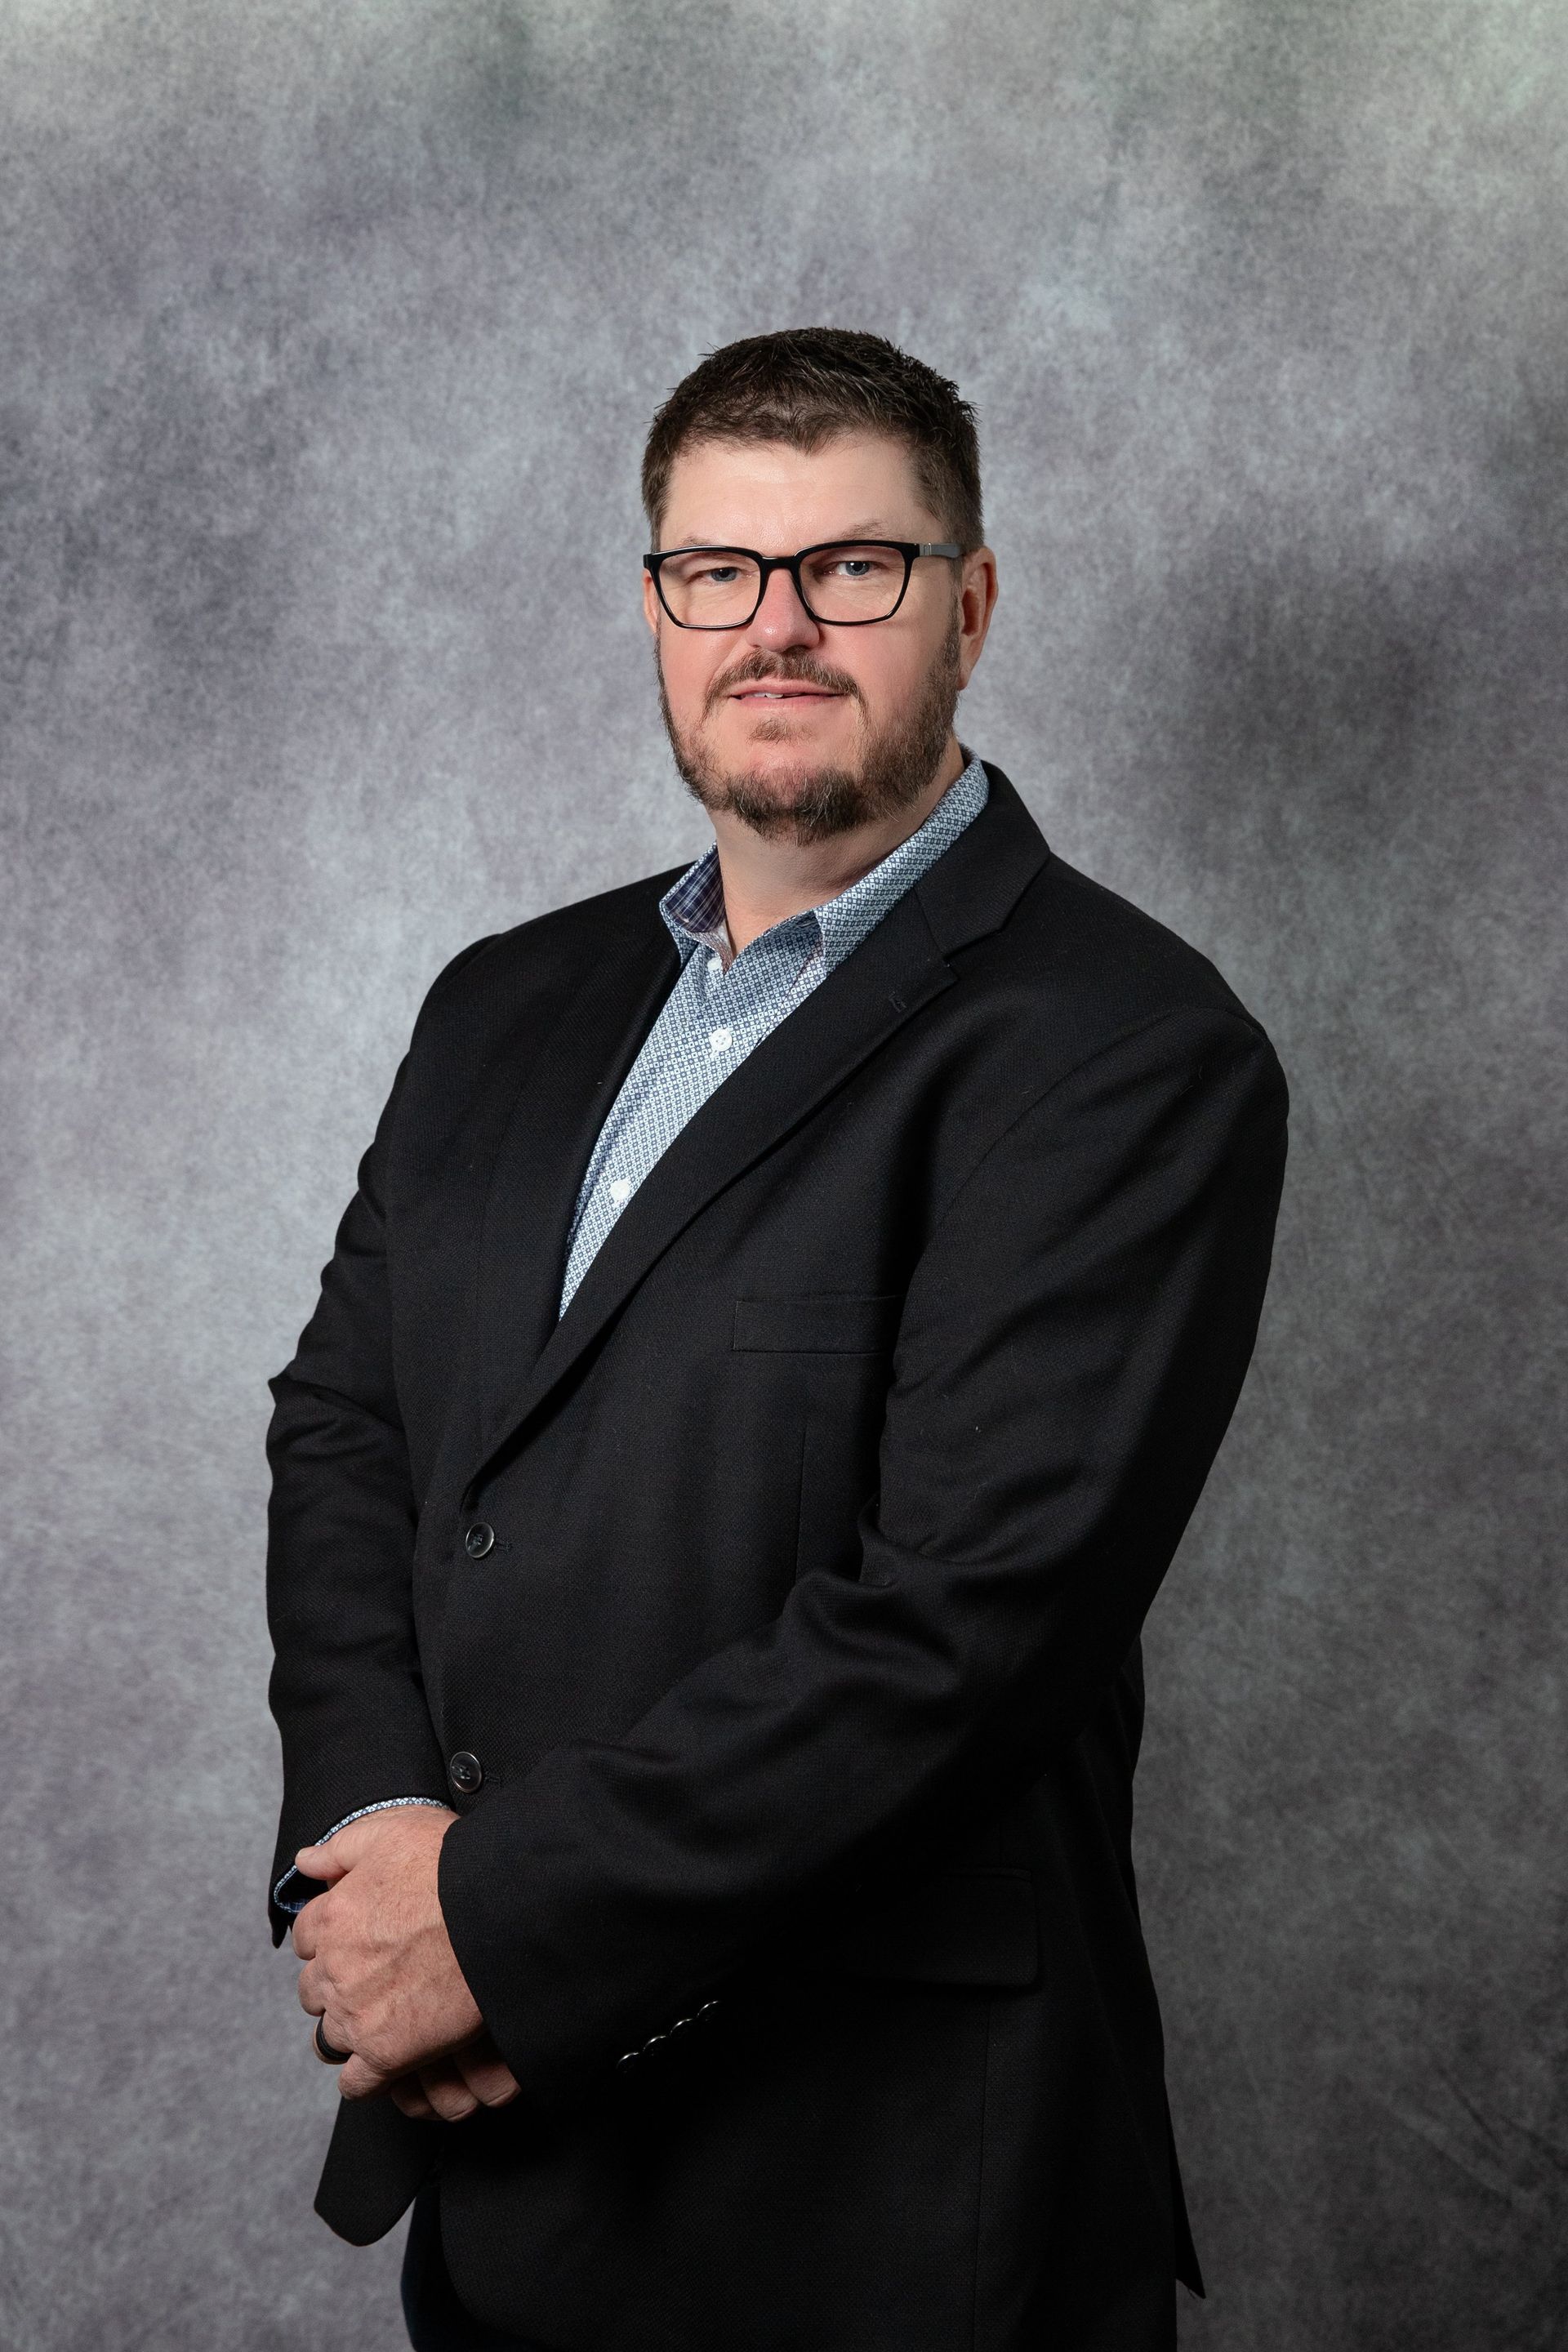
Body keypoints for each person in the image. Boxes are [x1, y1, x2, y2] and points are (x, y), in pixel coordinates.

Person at [269, 327, 1288, 2352]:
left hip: (894, 2198)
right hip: (511, 2155)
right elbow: (350, 1436)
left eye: (856, 567)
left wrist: (497, 1925)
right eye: (718, 570)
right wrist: (382, 1839)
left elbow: (963, 1635)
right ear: (659, 605)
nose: (780, 627)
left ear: (971, 604)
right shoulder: (501, 1003)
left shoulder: (1125, 1052)